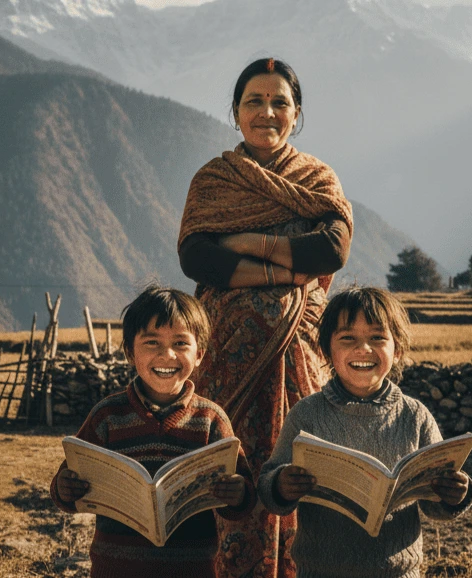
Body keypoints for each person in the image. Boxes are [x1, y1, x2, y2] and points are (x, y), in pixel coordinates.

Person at [178, 57, 353, 577]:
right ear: (235, 112)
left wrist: (250, 245)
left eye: (280, 102)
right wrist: (285, 265)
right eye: (254, 101)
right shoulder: (213, 181)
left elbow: (332, 251)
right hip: (226, 352)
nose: (267, 112)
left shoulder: (317, 178)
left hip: (302, 348)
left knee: (301, 465)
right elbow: (197, 257)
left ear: (296, 114)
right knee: (226, 466)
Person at [257, 287, 472, 578]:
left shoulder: (415, 417)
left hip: (399, 573)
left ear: (397, 351)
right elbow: (269, 486)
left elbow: (434, 506)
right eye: (348, 338)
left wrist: (453, 494)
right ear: (326, 349)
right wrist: (282, 485)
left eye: (377, 338)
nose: (363, 349)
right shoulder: (307, 414)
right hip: (320, 572)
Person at [50, 285, 257, 578]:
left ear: (200, 354)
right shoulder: (107, 416)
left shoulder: (211, 420)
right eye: (151, 343)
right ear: (129, 352)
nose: (167, 355)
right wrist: (65, 487)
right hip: (116, 569)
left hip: (191, 569)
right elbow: (68, 481)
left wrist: (236, 492)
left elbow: (243, 495)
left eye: (181, 343)